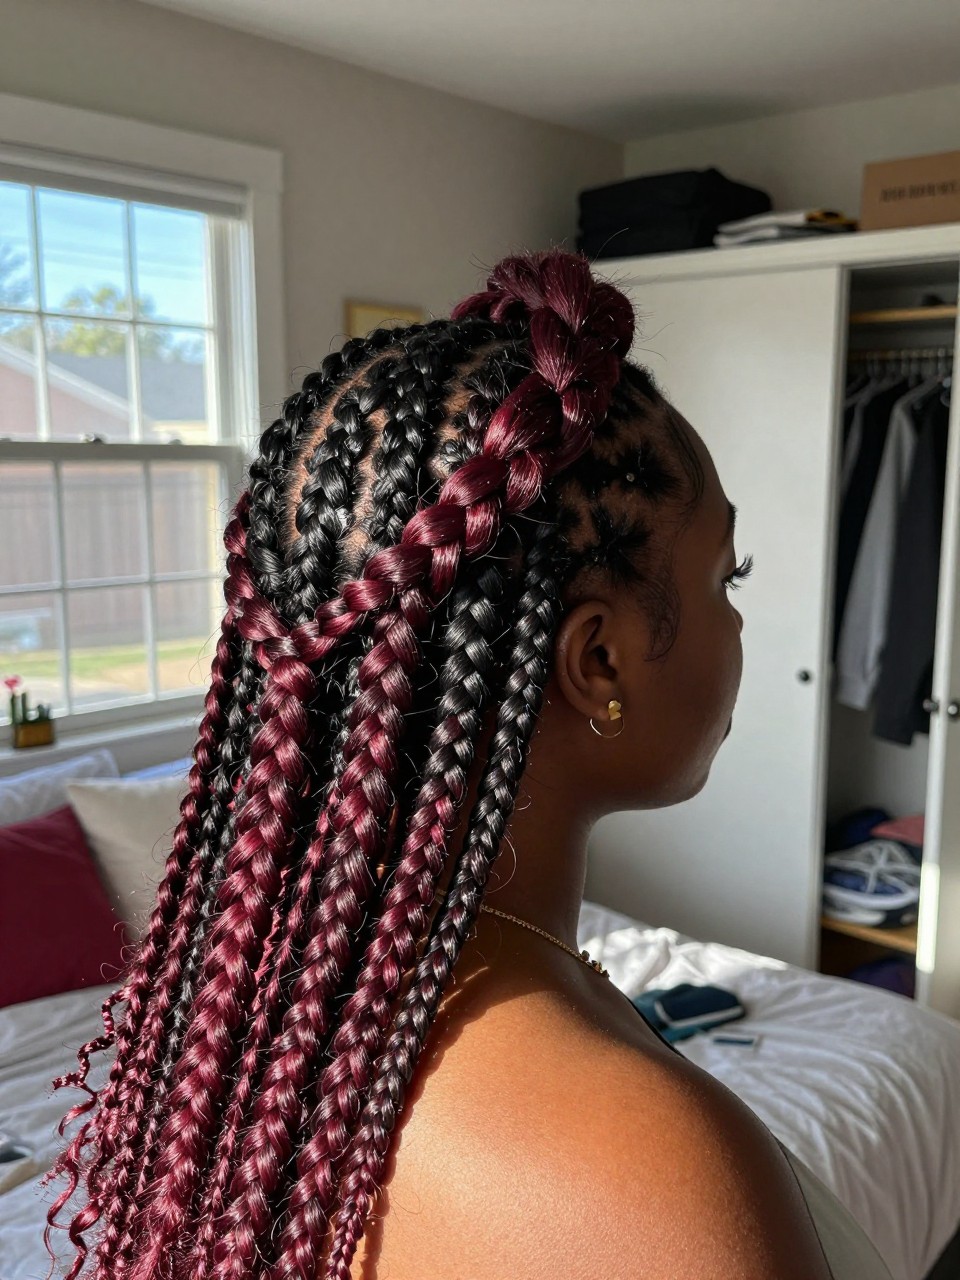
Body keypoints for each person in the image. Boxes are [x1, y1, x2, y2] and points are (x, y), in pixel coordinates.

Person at [44, 249, 893, 1280]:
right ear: (600, 659)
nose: (740, 615)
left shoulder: (222, 1032)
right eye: (729, 574)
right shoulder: (668, 1166)